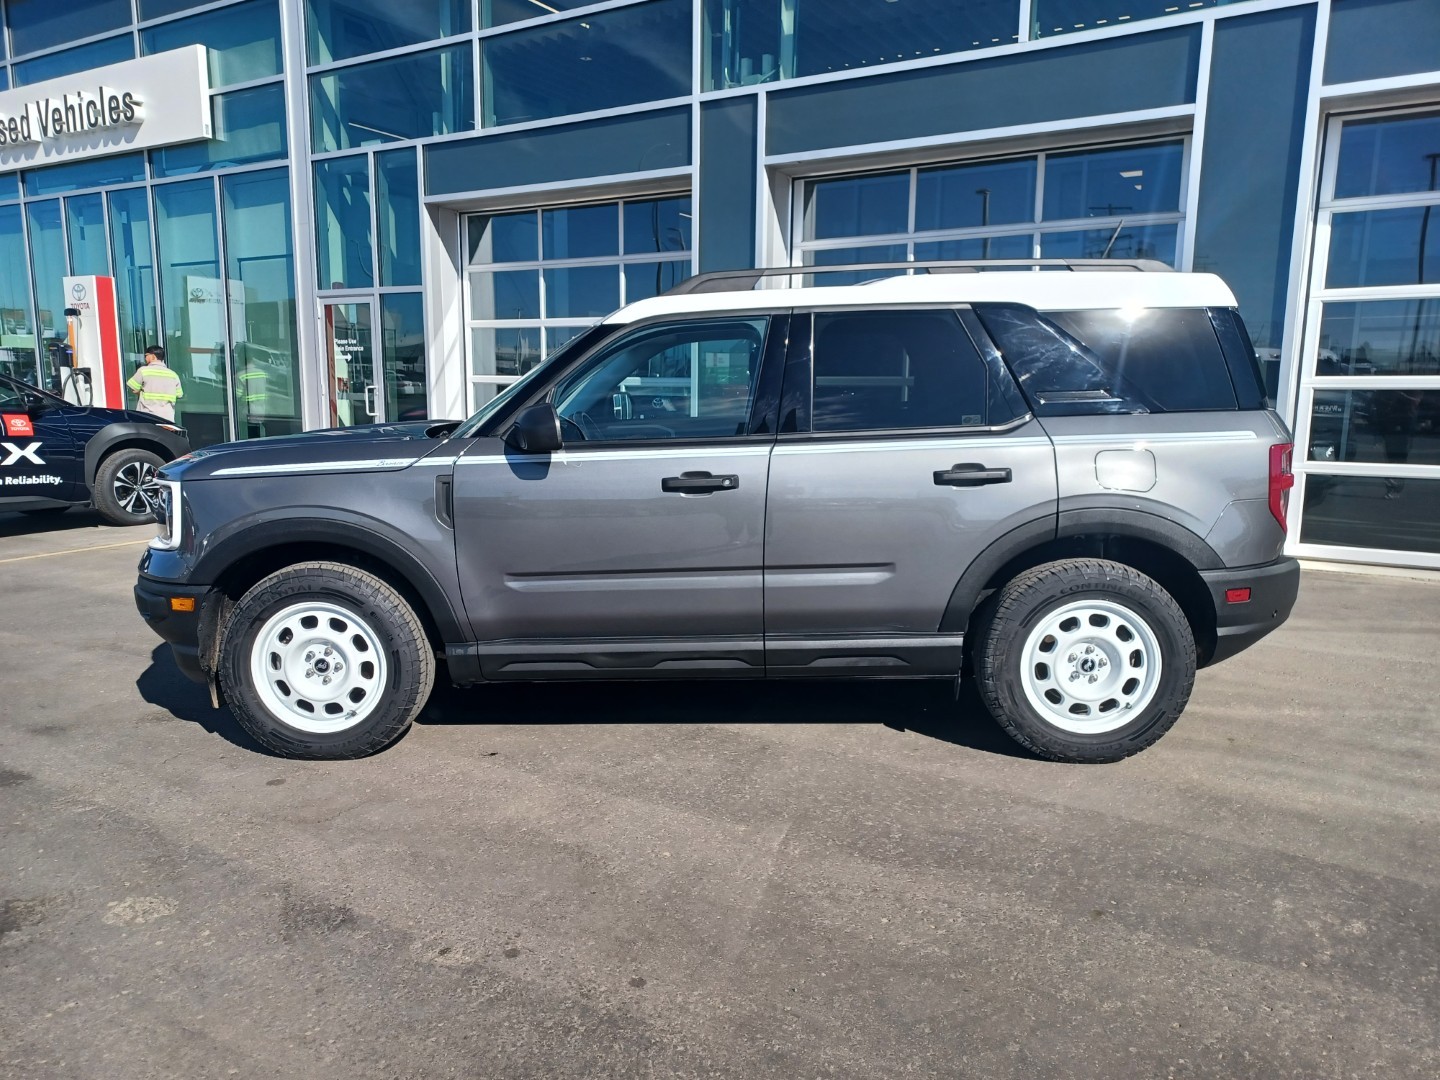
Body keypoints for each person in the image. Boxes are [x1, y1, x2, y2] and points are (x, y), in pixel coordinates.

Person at [127, 345, 183, 421]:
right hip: (167, 417)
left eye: (146, 355)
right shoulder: (173, 375)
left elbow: (133, 388)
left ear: (153, 356)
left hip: (147, 416)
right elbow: (179, 395)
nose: (145, 358)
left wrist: (141, 392)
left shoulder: (143, 371)